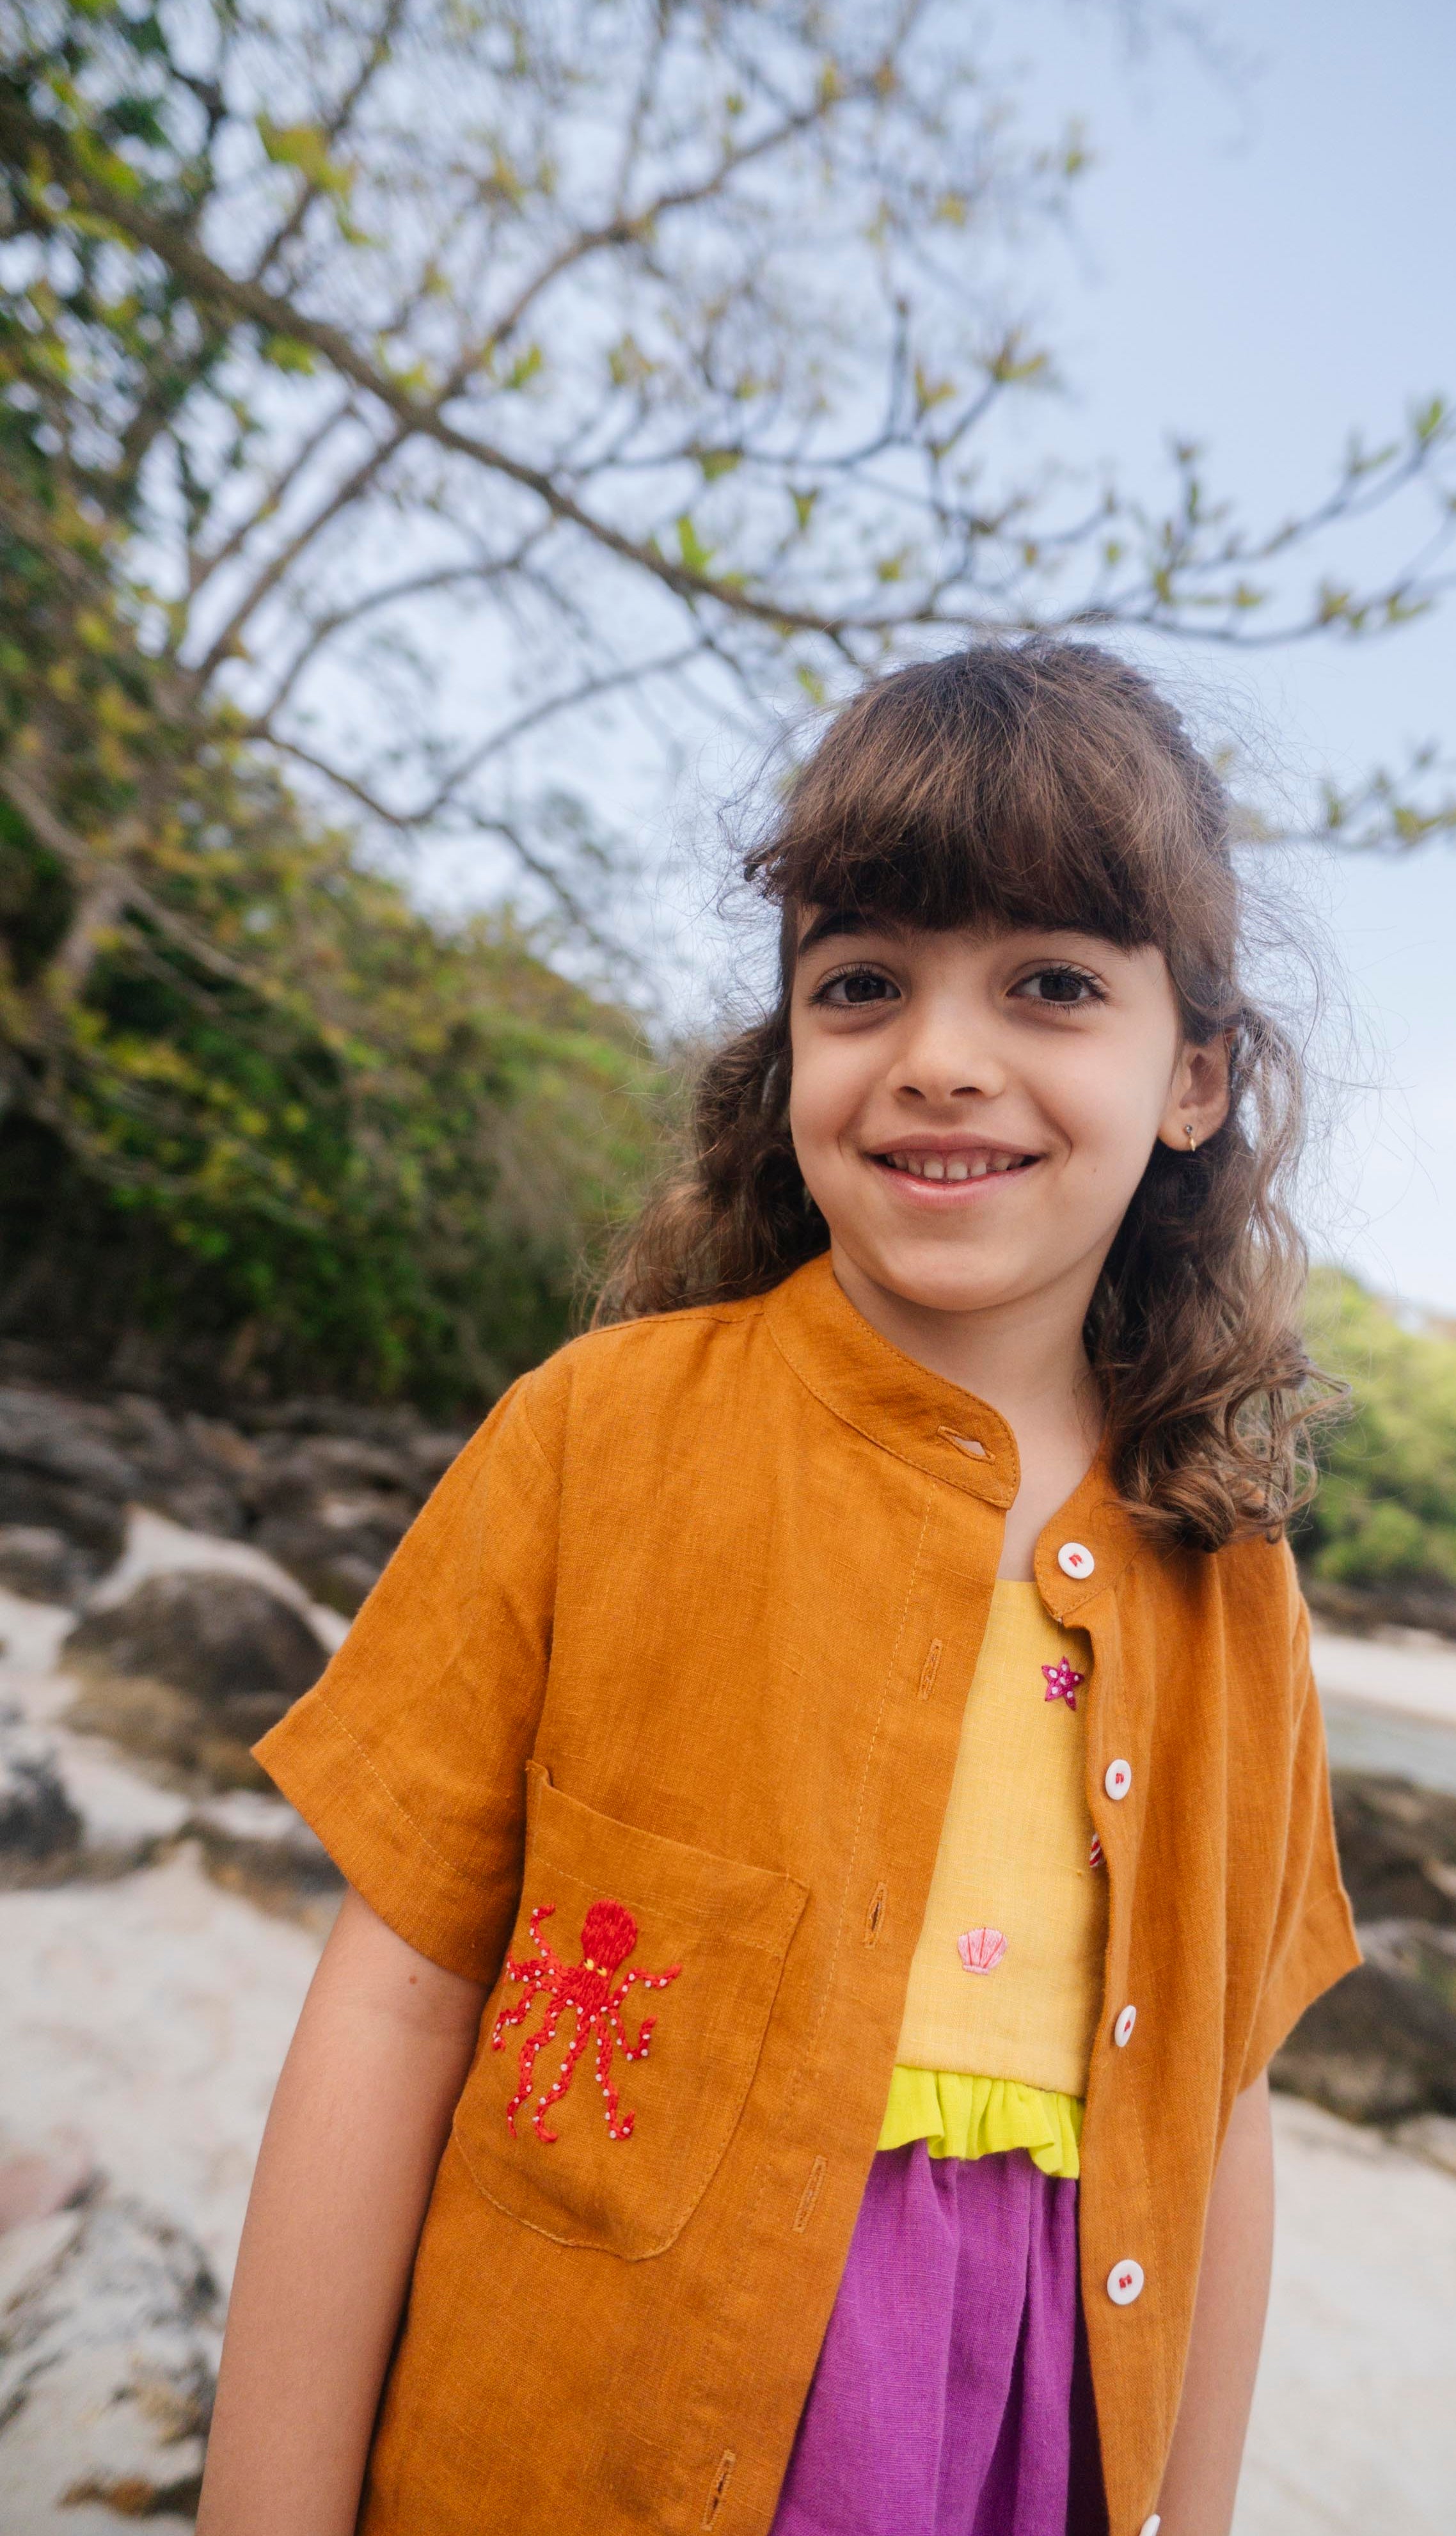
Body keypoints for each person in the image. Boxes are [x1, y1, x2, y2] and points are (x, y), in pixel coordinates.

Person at [196, 639, 1360, 2536]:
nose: (941, 1055)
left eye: (1052, 983)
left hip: (1017, 2448)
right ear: (792, 1047)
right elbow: (400, 1999)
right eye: (864, 983)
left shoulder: (1234, 1587)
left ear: (1195, 1075)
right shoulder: (600, 1435)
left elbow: (1221, 2120)